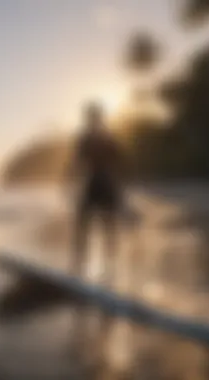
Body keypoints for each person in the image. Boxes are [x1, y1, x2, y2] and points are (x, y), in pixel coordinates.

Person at [65, 102, 126, 278]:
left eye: (94, 117)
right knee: (84, 224)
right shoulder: (86, 139)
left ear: (98, 118)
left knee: (106, 225)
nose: (92, 120)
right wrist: (69, 181)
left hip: (105, 184)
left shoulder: (108, 138)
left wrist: (120, 189)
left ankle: (110, 265)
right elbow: (77, 162)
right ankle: (79, 263)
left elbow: (118, 163)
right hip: (94, 184)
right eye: (90, 117)